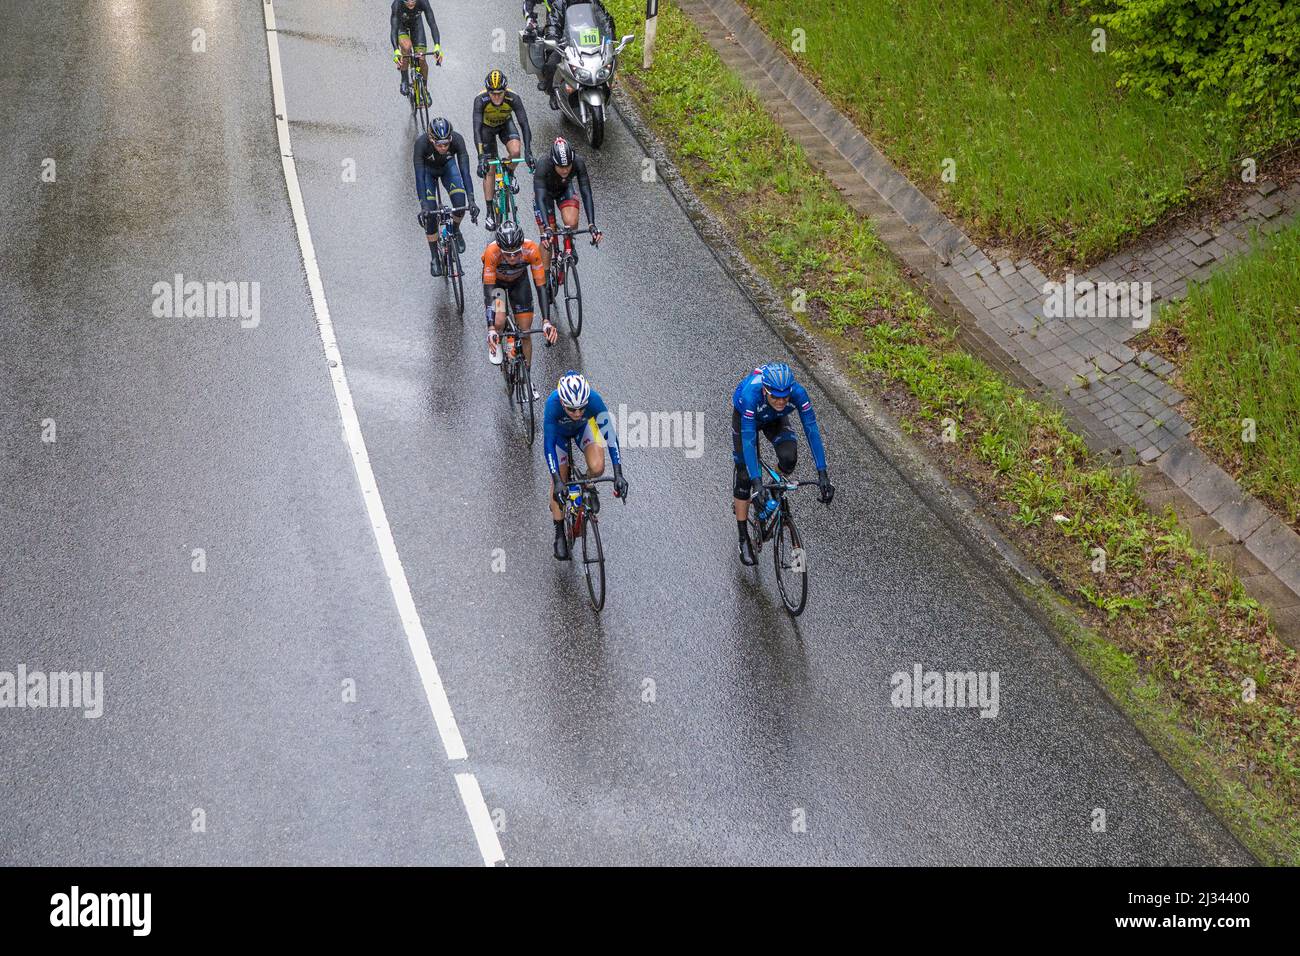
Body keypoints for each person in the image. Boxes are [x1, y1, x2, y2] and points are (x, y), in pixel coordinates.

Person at [732, 363, 834, 565]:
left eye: (784, 397)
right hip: (747, 418)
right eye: (775, 397)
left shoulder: (798, 393)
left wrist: (823, 473)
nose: (780, 401)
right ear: (765, 390)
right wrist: (757, 482)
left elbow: (811, 430)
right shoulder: (751, 395)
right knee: (745, 477)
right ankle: (743, 538)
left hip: (774, 419)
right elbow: (749, 441)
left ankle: (771, 489)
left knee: (789, 458)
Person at [543, 371, 628, 560]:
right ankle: (559, 533)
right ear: (563, 403)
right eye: (572, 410)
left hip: (584, 429)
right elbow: (548, 445)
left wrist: (618, 473)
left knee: (598, 467)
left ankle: (588, 485)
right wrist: (557, 480)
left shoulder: (594, 400)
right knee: (560, 480)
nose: (578, 413)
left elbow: (610, 436)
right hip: (558, 436)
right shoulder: (552, 404)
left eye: (582, 408)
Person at [481, 221, 557, 380]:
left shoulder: (531, 249)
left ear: (521, 246)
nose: (513, 257)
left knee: (525, 332)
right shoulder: (491, 252)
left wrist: (546, 321)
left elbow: (541, 286)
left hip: (519, 282)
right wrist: (491, 328)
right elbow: (489, 292)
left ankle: (527, 377)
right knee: (500, 320)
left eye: (516, 252)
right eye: (507, 254)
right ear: (500, 249)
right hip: (497, 285)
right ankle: (499, 341)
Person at [522, 0, 618, 110]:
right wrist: (553, 37)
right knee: (551, 64)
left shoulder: (594, 3)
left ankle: (605, 88)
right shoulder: (560, 4)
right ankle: (553, 93)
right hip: (566, 42)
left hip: (593, 45)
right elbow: (553, 23)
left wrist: (610, 38)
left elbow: (606, 21)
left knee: (610, 60)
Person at [414, 118, 478, 274]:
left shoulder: (457, 140)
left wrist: (472, 200)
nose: (443, 147)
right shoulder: (421, 144)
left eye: (446, 144)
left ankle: (455, 230)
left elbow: (465, 172)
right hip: (428, 173)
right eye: (439, 144)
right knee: (430, 213)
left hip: (448, 168)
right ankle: (435, 256)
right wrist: (423, 206)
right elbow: (419, 177)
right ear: (431, 139)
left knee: (460, 203)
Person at [472, 70, 534, 231]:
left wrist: (529, 152)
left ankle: (510, 173)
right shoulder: (481, 100)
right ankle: (490, 212)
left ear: (505, 90)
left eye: (500, 93)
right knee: (490, 169)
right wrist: (481, 158)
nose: (497, 97)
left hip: (505, 124)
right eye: (493, 94)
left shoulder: (513, 98)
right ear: (488, 91)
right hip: (486, 129)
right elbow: (476, 131)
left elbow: (524, 125)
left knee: (515, 152)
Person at [533, 137, 600, 272]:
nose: (565, 170)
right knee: (548, 240)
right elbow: (539, 197)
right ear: (553, 162)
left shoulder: (578, 162)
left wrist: (592, 224)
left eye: (568, 166)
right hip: (545, 195)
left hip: (564, 190)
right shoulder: (543, 164)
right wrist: (546, 228)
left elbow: (586, 192)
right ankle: (545, 278)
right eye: (560, 167)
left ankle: (569, 243)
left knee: (571, 221)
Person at [390, 0, 443, 98]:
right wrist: (396, 51)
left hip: (416, 26)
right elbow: (393, 29)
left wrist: (437, 46)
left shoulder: (423, 2)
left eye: (413, 1)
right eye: (408, 1)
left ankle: (425, 89)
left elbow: (432, 24)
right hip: (401, 27)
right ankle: (404, 79)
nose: (411, 3)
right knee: (406, 47)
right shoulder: (397, 4)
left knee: (421, 58)